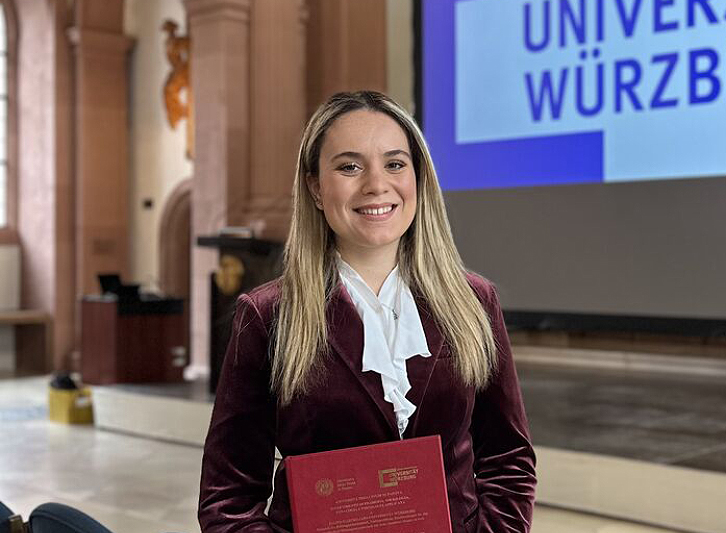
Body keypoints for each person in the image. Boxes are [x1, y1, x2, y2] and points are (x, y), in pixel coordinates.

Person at [199, 91, 536, 533]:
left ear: (418, 179)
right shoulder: (266, 315)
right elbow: (228, 498)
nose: (377, 184)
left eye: (395, 164)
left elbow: (509, 462)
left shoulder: (474, 301)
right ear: (315, 188)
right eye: (349, 167)